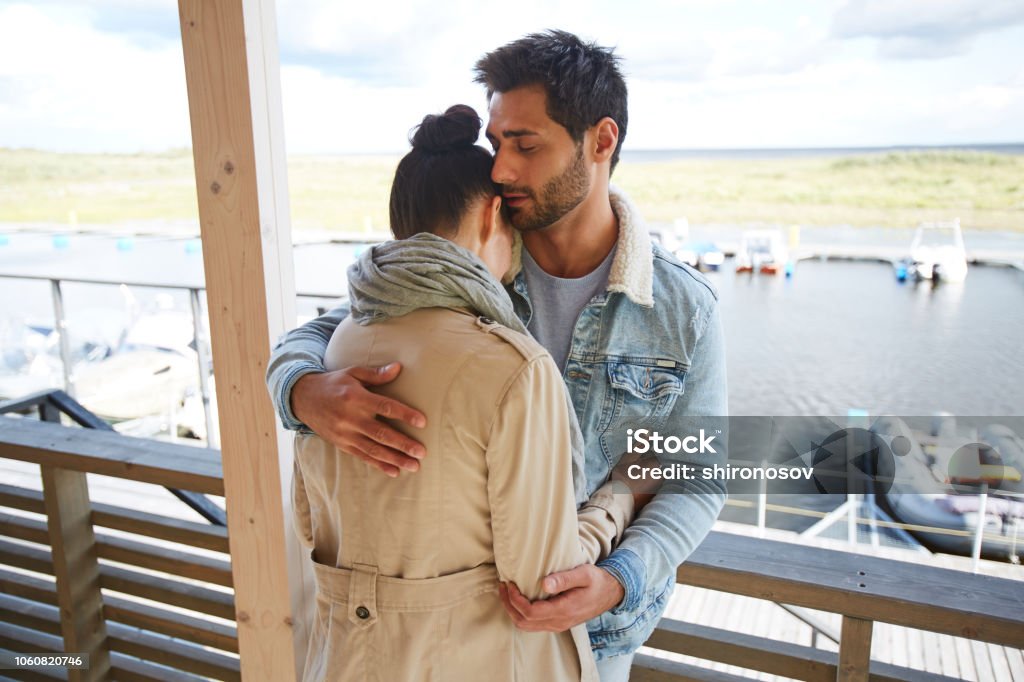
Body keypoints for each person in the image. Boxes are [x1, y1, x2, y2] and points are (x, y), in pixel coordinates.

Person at [269, 31, 728, 681]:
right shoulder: (477, 258)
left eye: (526, 144)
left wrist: (621, 577)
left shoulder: (686, 310)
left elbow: (699, 476)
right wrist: (299, 389)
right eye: (498, 142)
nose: (503, 168)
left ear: (601, 141)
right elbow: (333, 325)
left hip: (596, 640)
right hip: (461, 644)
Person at [291, 104, 640, 682]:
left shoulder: (335, 350)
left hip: (343, 659)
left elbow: (310, 523)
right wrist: (618, 500)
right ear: (491, 214)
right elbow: (542, 578)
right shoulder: (511, 367)